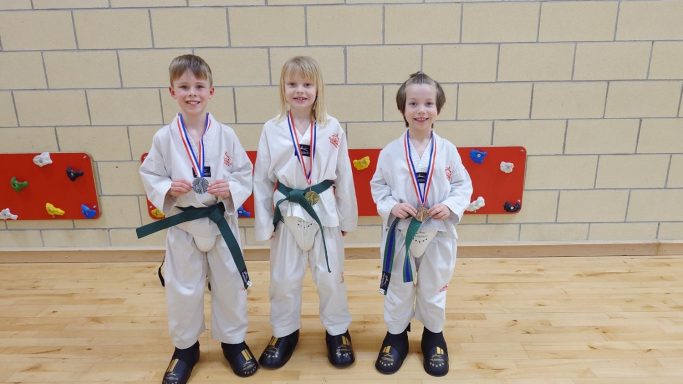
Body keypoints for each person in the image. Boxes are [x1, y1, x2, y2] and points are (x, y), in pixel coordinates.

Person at [137, 54, 258, 383]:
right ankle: (185, 348)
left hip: (220, 223)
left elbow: (244, 173)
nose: (192, 93)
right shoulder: (164, 138)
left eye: (199, 86)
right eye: (184, 87)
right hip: (183, 224)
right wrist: (167, 187)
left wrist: (229, 186)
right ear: (171, 91)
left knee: (230, 284)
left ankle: (233, 342)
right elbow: (150, 174)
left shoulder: (227, 134)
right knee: (182, 288)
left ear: (211, 91)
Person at [253, 56, 358, 369]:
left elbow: (344, 175)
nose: (300, 90)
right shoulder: (272, 129)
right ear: (283, 88)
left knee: (330, 276)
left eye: (307, 84)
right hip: (286, 212)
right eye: (293, 83)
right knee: (283, 278)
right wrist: (263, 224)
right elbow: (261, 179)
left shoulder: (332, 127)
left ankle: (337, 331)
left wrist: (345, 216)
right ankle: (285, 332)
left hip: (323, 210)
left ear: (318, 88)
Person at [370, 72, 473, 377]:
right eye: (413, 103)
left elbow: (462, 186)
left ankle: (433, 334)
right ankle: (396, 335)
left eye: (428, 103)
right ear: (402, 109)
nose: (421, 110)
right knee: (399, 287)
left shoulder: (448, 151)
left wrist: (450, 205)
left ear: (438, 109)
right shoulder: (389, 152)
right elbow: (379, 187)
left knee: (433, 286)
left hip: (437, 232)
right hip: (401, 232)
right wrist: (392, 205)